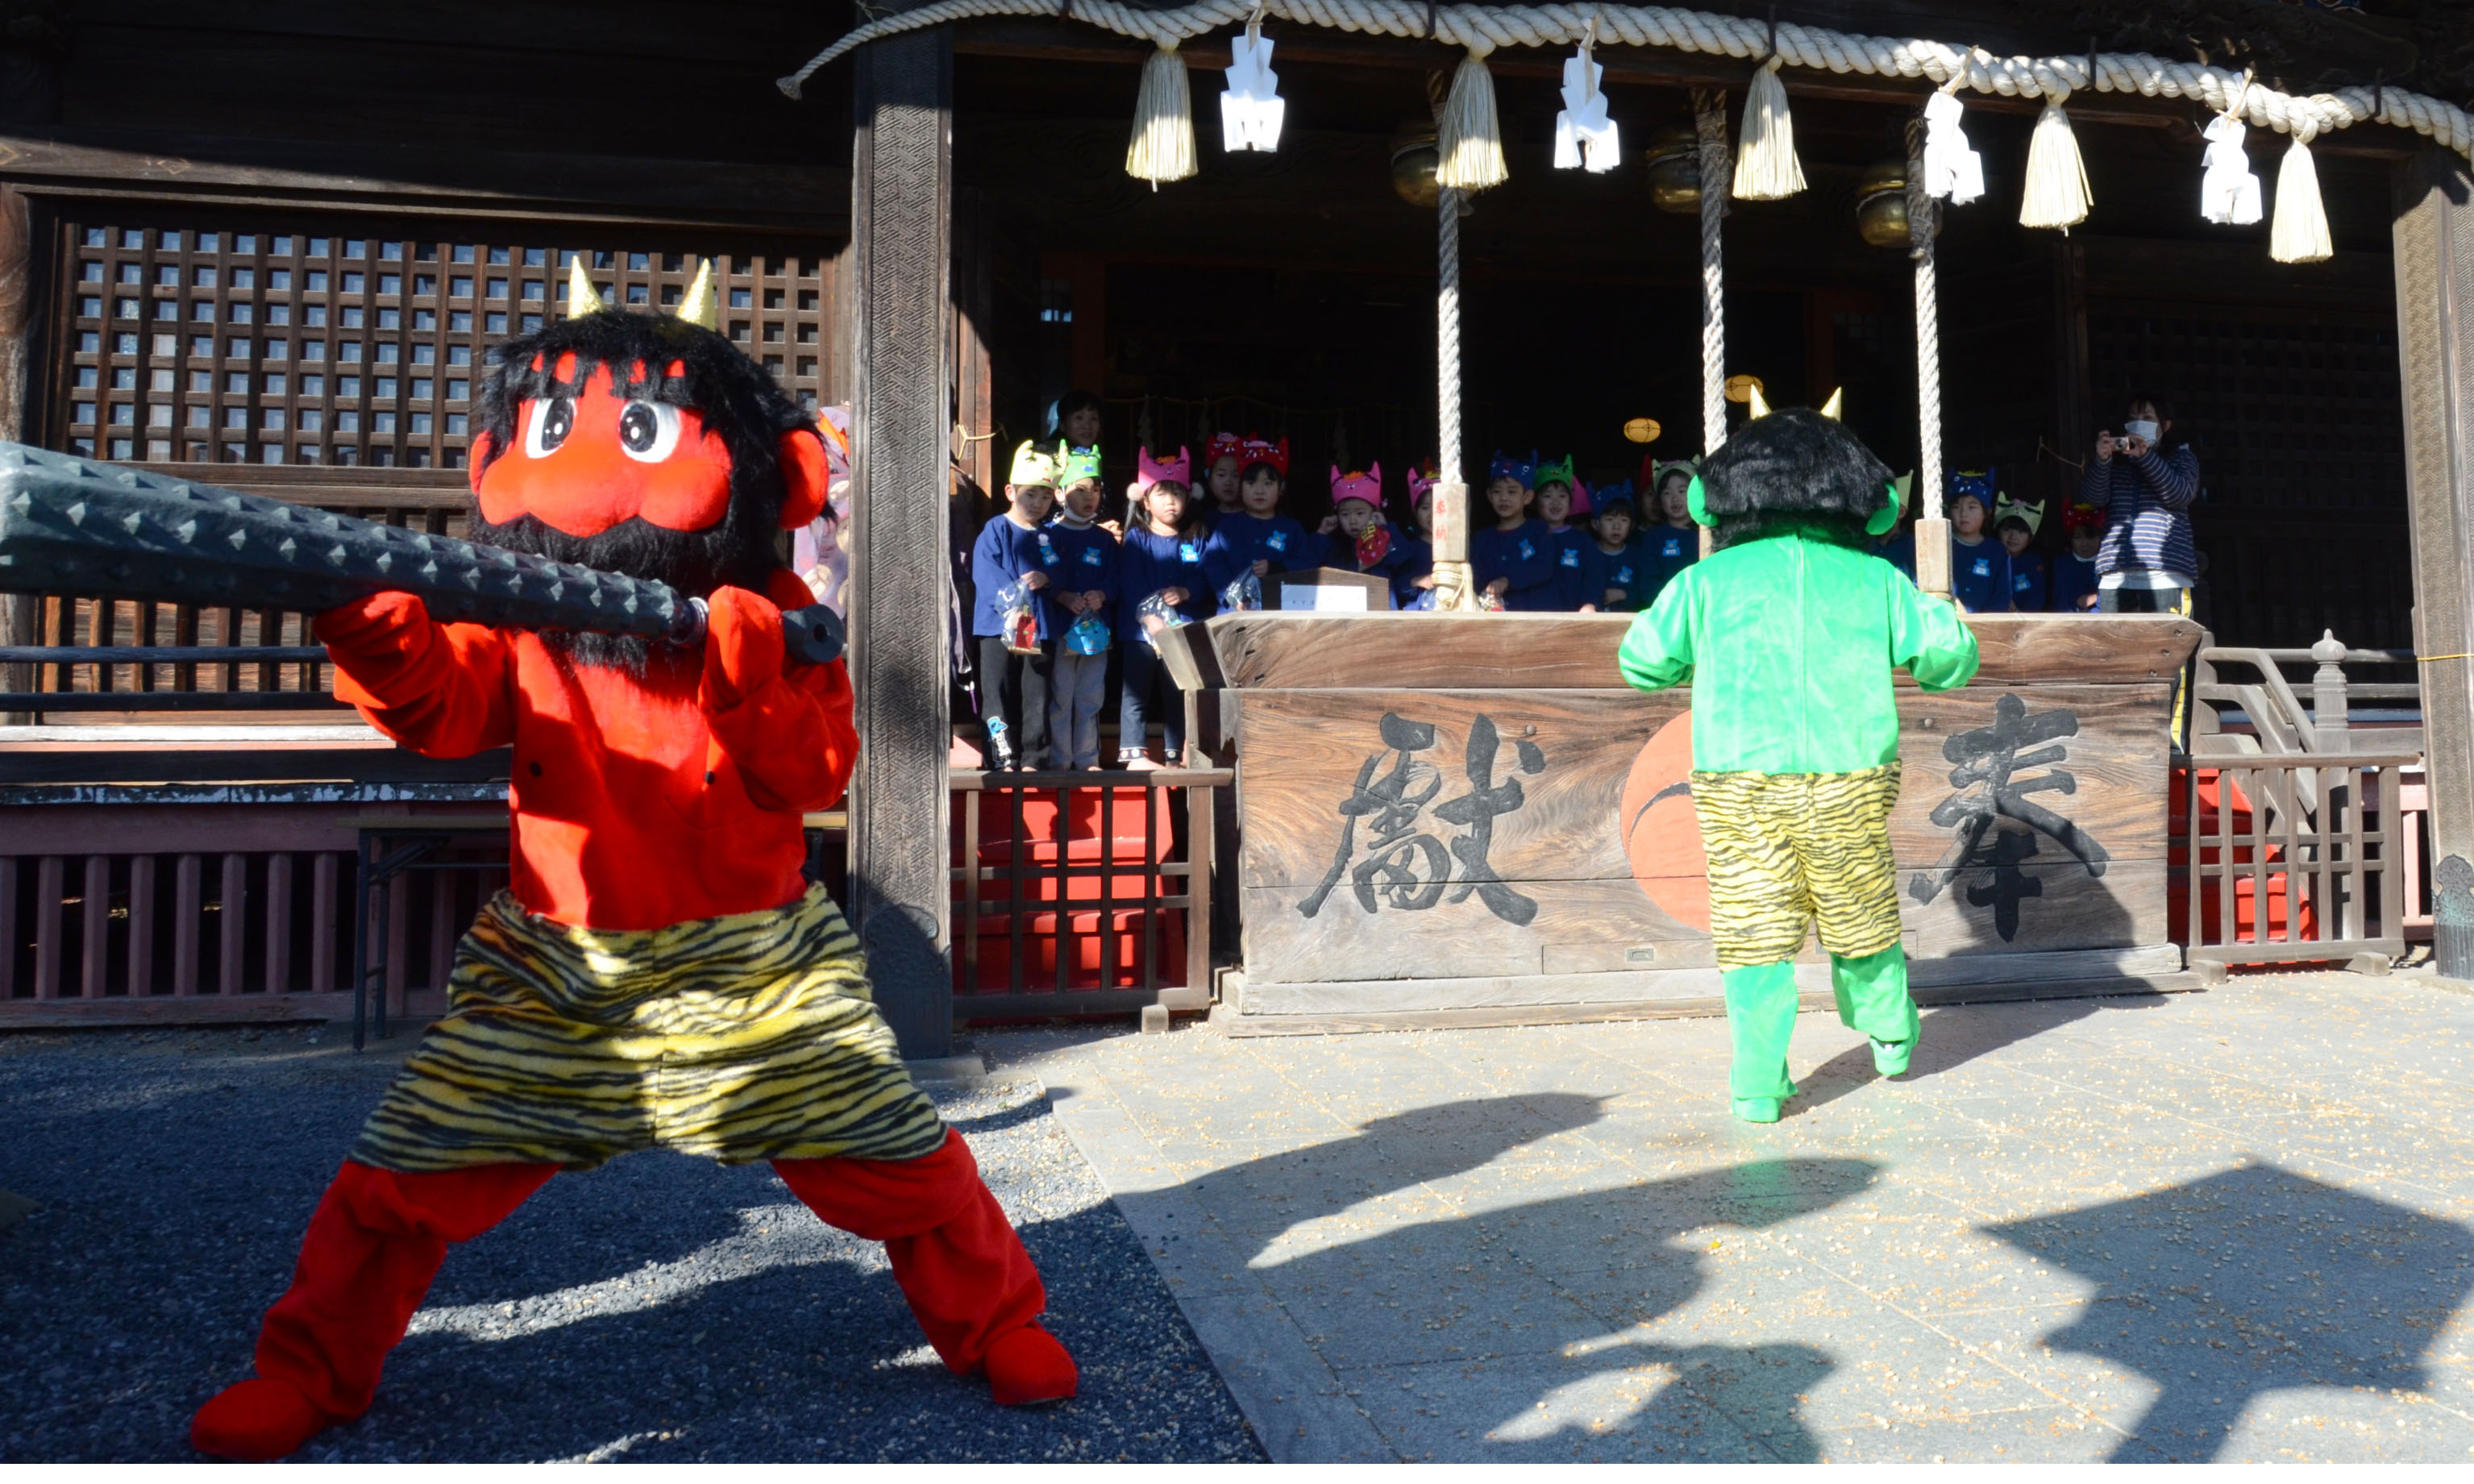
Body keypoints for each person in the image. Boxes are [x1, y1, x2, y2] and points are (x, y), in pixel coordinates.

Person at [189, 283, 1075, 1463]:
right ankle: (308, 1369)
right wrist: (379, 629)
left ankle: (997, 1321)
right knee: (403, 1170)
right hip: (561, 961)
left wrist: (753, 678)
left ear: (773, 471)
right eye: (553, 433)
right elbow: (441, 709)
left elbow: (816, 766)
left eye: (641, 431)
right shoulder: (517, 617)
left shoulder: (778, 611)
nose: (591, 467)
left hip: (754, 962)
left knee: (896, 1150)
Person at [1617, 402, 1979, 1124]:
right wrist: (1947, 613)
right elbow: (1948, 663)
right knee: (1860, 906)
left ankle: (1756, 1081)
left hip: (1739, 782)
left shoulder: (1706, 582)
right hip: (1849, 776)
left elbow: (1641, 662)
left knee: (1752, 929)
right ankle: (1889, 1031)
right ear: (1861, 498)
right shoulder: (1876, 581)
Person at [1116, 447, 1213, 767]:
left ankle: (1175, 754)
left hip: (1182, 630)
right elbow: (1130, 582)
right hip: (1142, 632)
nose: (1170, 501)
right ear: (1145, 501)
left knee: (1177, 691)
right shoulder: (1137, 538)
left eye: (1177, 493)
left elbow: (1206, 578)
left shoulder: (1195, 537)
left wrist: (1187, 591)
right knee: (1136, 691)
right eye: (1162, 493)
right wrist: (1148, 617)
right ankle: (1133, 753)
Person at [970, 442, 1062, 768]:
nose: (1038, 503)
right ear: (1010, 491)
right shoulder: (995, 529)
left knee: (1035, 692)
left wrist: (1048, 579)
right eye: (1030, 495)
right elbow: (986, 572)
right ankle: (1001, 754)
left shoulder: (1051, 535)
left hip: (1038, 627)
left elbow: (1061, 574)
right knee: (997, 690)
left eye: (1046, 496)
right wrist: (1009, 607)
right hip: (997, 626)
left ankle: (1034, 756)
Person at [2085, 393, 2200, 615]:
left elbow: (2179, 495)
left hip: (2166, 574)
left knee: (2168, 647)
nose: (2138, 423)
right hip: (2116, 574)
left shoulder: (2181, 457)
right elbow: (2094, 499)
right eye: (2133, 417)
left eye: (2148, 417)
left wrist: (2146, 458)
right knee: (2117, 648)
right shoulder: (2118, 463)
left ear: (2165, 425)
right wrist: (2102, 460)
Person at [1043, 447, 1117, 770]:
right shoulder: (1047, 535)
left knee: (1090, 695)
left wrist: (1102, 593)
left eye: (1096, 489)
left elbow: (1118, 578)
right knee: (1061, 696)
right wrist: (1061, 595)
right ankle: (1060, 758)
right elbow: (1042, 577)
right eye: (1081, 489)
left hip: (1095, 631)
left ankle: (1087, 758)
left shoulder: (1104, 539)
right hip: (1060, 627)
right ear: (1060, 493)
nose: (1091, 497)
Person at [1201, 435, 1320, 602]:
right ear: (1240, 488)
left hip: (1280, 608)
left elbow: (1309, 563)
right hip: (1234, 612)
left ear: (1281, 488)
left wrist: (1278, 567)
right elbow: (1212, 563)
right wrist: (1231, 598)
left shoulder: (1292, 528)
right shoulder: (1227, 527)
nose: (1259, 491)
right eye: (1251, 483)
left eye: (1268, 483)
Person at [1470, 450, 1555, 610]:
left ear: (1527, 497)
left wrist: (1508, 581)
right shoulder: (1481, 538)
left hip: (1533, 614)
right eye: (1497, 491)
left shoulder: (1539, 530)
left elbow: (1544, 568)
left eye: (1512, 491)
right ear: (1489, 495)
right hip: (1492, 617)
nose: (1503, 498)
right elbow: (1475, 577)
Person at [1321, 463, 1411, 601]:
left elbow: (1402, 557)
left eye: (1360, 513)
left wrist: (1386, 528)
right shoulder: (1335, 547)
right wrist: (1321, 533)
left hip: (1382, 609)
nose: (1352, 521)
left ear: (1374, 513)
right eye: (1345, 514)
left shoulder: (1385, 538)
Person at [1944, 473, 2012, 613]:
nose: (1964, 513)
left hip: (1986, 628)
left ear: (1986, 512)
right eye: (1956, 507)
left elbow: (2002, 594)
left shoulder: (1996, 550)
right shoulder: (1942, 544)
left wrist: (1984, 622)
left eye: (1972, 507)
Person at [1640, 458, 1701, 606]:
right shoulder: (1653, 538)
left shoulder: (1705, 534)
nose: (1675, 498)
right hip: (1665, 610)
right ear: (1659, 500)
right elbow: (1648, 584)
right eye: (1667, 493)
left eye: (1682, 491)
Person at [1532, 455, 1591, 610]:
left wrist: (1589, 604)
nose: (1556, 502)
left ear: (1571, 502)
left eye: (1562, 496)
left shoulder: (1583, 541)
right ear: (1534, 501)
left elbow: (1593, 578)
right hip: (1532, 617)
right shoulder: (1527, 536)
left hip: (1573, 618)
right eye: (1547, 496)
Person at [1578, 486, 1648, 612]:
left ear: (1632, 525)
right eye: (1609, 519)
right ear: (1595, 524)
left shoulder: (1637, 555)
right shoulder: (1586, 553)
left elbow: (1646, 594)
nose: (1617, 526)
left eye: (1624, 520)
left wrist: (1624, 595)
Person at [1395, 463, 1439, 609]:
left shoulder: (1462, 547)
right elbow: (1397, 586)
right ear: (1415, 512)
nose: (1432, 513)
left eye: (1439, 506)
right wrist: (1417, 581)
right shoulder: (1408, 548)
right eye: (1425, 508)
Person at [1994, 494, 2047, 612]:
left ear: (2031, 538)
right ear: (1998, 532)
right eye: (2007, 530)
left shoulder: (2033, 562)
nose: (2013, 536)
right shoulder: (1992, 558)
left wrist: (2022, 616)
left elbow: (2037, 596)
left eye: (2021, 531)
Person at [2048, 501, 2104, 612]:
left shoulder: (2106, 564)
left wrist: (2097, 598)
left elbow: (2116, 595)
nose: (2085, 543)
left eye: (2091, 537)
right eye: (2078, 538)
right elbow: (2060, 597)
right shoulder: (2062, 564)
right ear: (2070, 539)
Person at [1200, 430, 1245, 518]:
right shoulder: (1204, 520)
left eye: (1236, 476)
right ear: (1210, 480)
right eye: (1221, 475)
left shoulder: (1255, 518)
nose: (1228, 482)